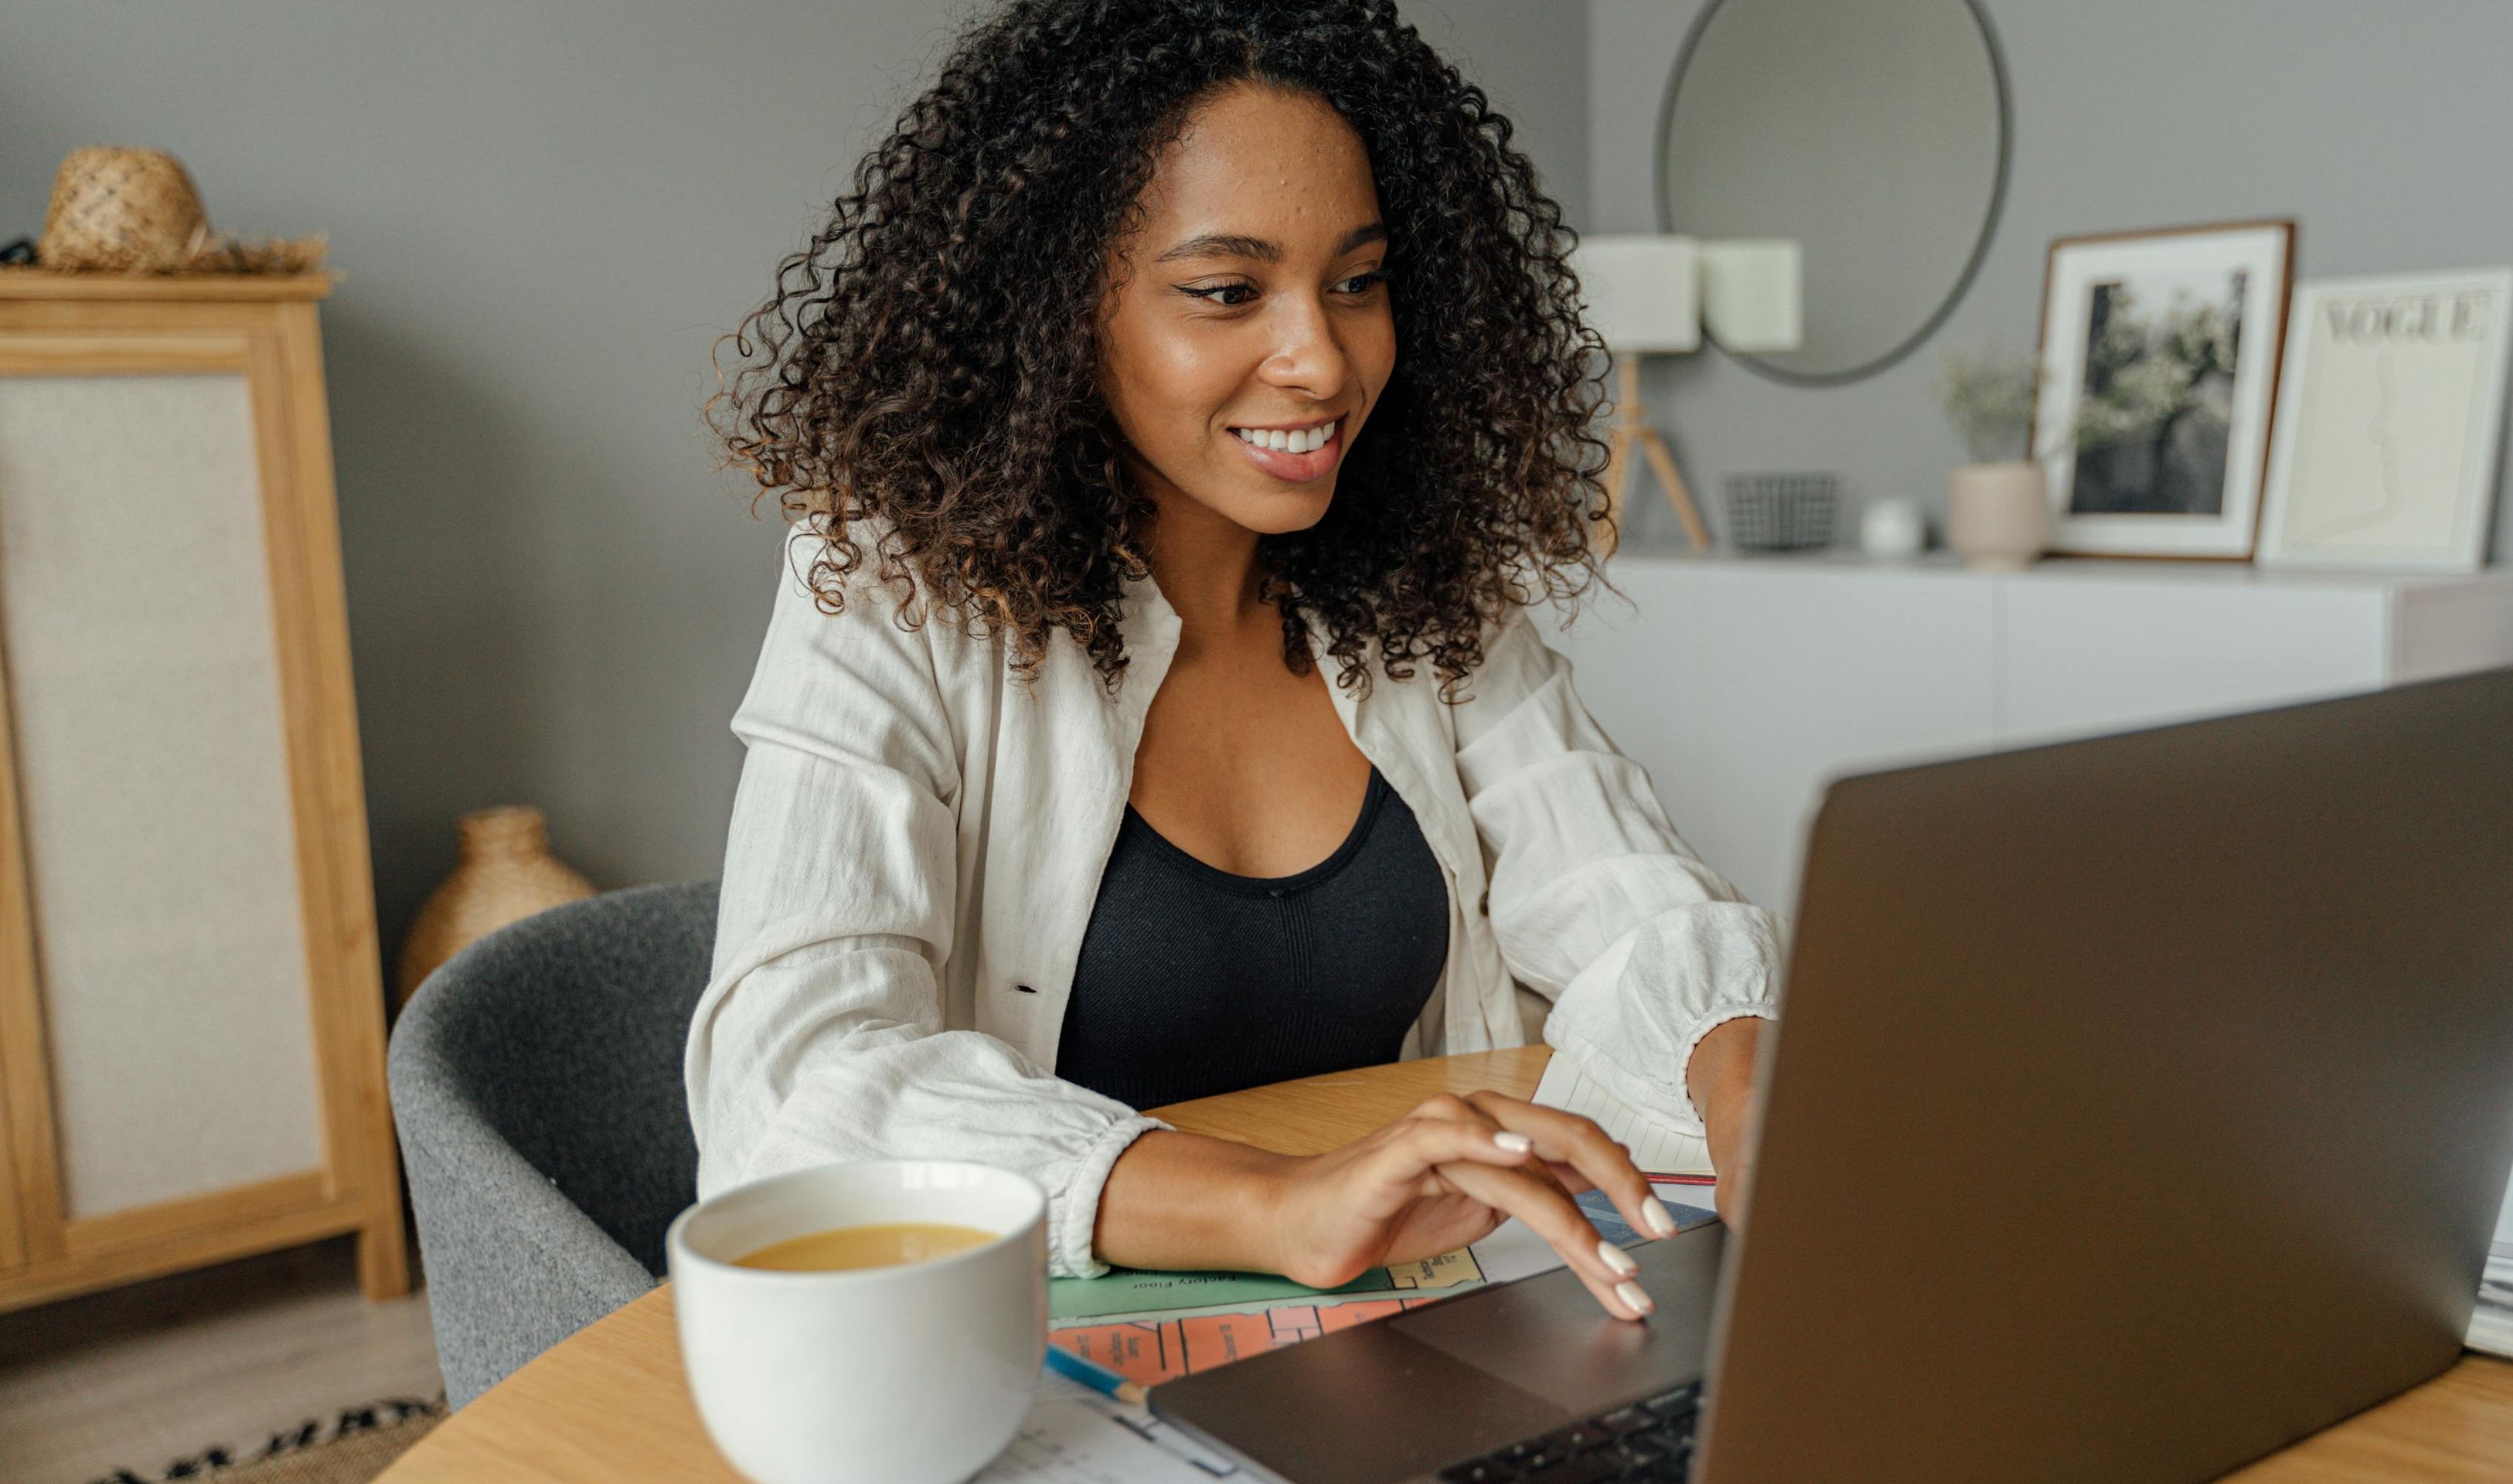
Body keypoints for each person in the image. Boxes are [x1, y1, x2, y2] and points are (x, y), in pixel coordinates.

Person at [690, 0, 1783, 1324]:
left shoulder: (1425, 592)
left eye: (1359, 281)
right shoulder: (894, 588)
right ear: (1058, 306)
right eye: (1226, 292)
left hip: (1405, 1326)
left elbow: (1624, 898)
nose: (1321, 358)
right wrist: (1275, 1206)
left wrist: (1751, 1083)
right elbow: (792, 1086)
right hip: (1018, 1351)